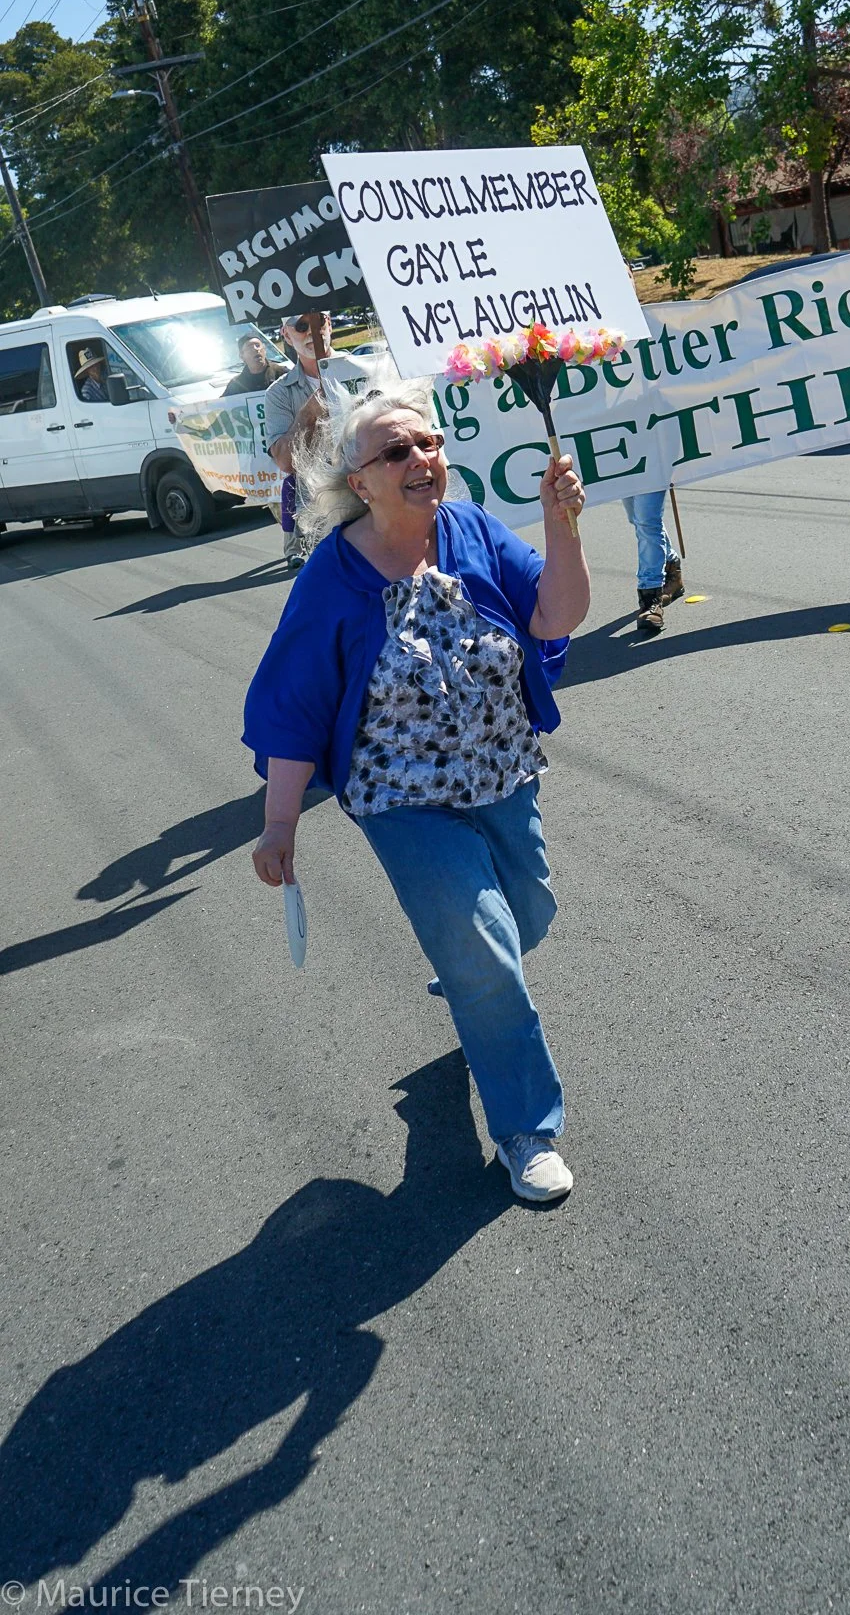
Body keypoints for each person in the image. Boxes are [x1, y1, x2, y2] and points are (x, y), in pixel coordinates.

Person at [244, 379, 590, 1204]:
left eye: (429, 443)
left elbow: (556, 616)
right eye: (395, 451)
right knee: (483, 954)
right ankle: (526, 1129)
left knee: (527, 913)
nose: (420, 460)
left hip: (502, 774)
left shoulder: (469, 530)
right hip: (402, 800)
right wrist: (278, 823)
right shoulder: (332, 578)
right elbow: (294, 704)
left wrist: (560, 524)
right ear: (357, 481)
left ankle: (474, 981)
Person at [263, 311, 350, 572]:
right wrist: (310, 412)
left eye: (319, 321)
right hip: (321, 517)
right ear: (286, 336)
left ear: (330, 324)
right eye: (301, 326)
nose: (312, 331)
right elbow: (286, 462)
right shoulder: (279, 393)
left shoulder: (364, 369)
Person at [622, 490, 684, 635]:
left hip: (652, 470)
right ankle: (672, 566)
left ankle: (650, 600)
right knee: (637, 518)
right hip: (623, 470)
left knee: (647, 522)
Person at [224, 328, 285, 397]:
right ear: (241, 356)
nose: (255, 349)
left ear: (264, 350)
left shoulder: (281, 374)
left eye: (257, 345)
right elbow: (223, 405)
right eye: (249, 347)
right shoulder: (237, 384)